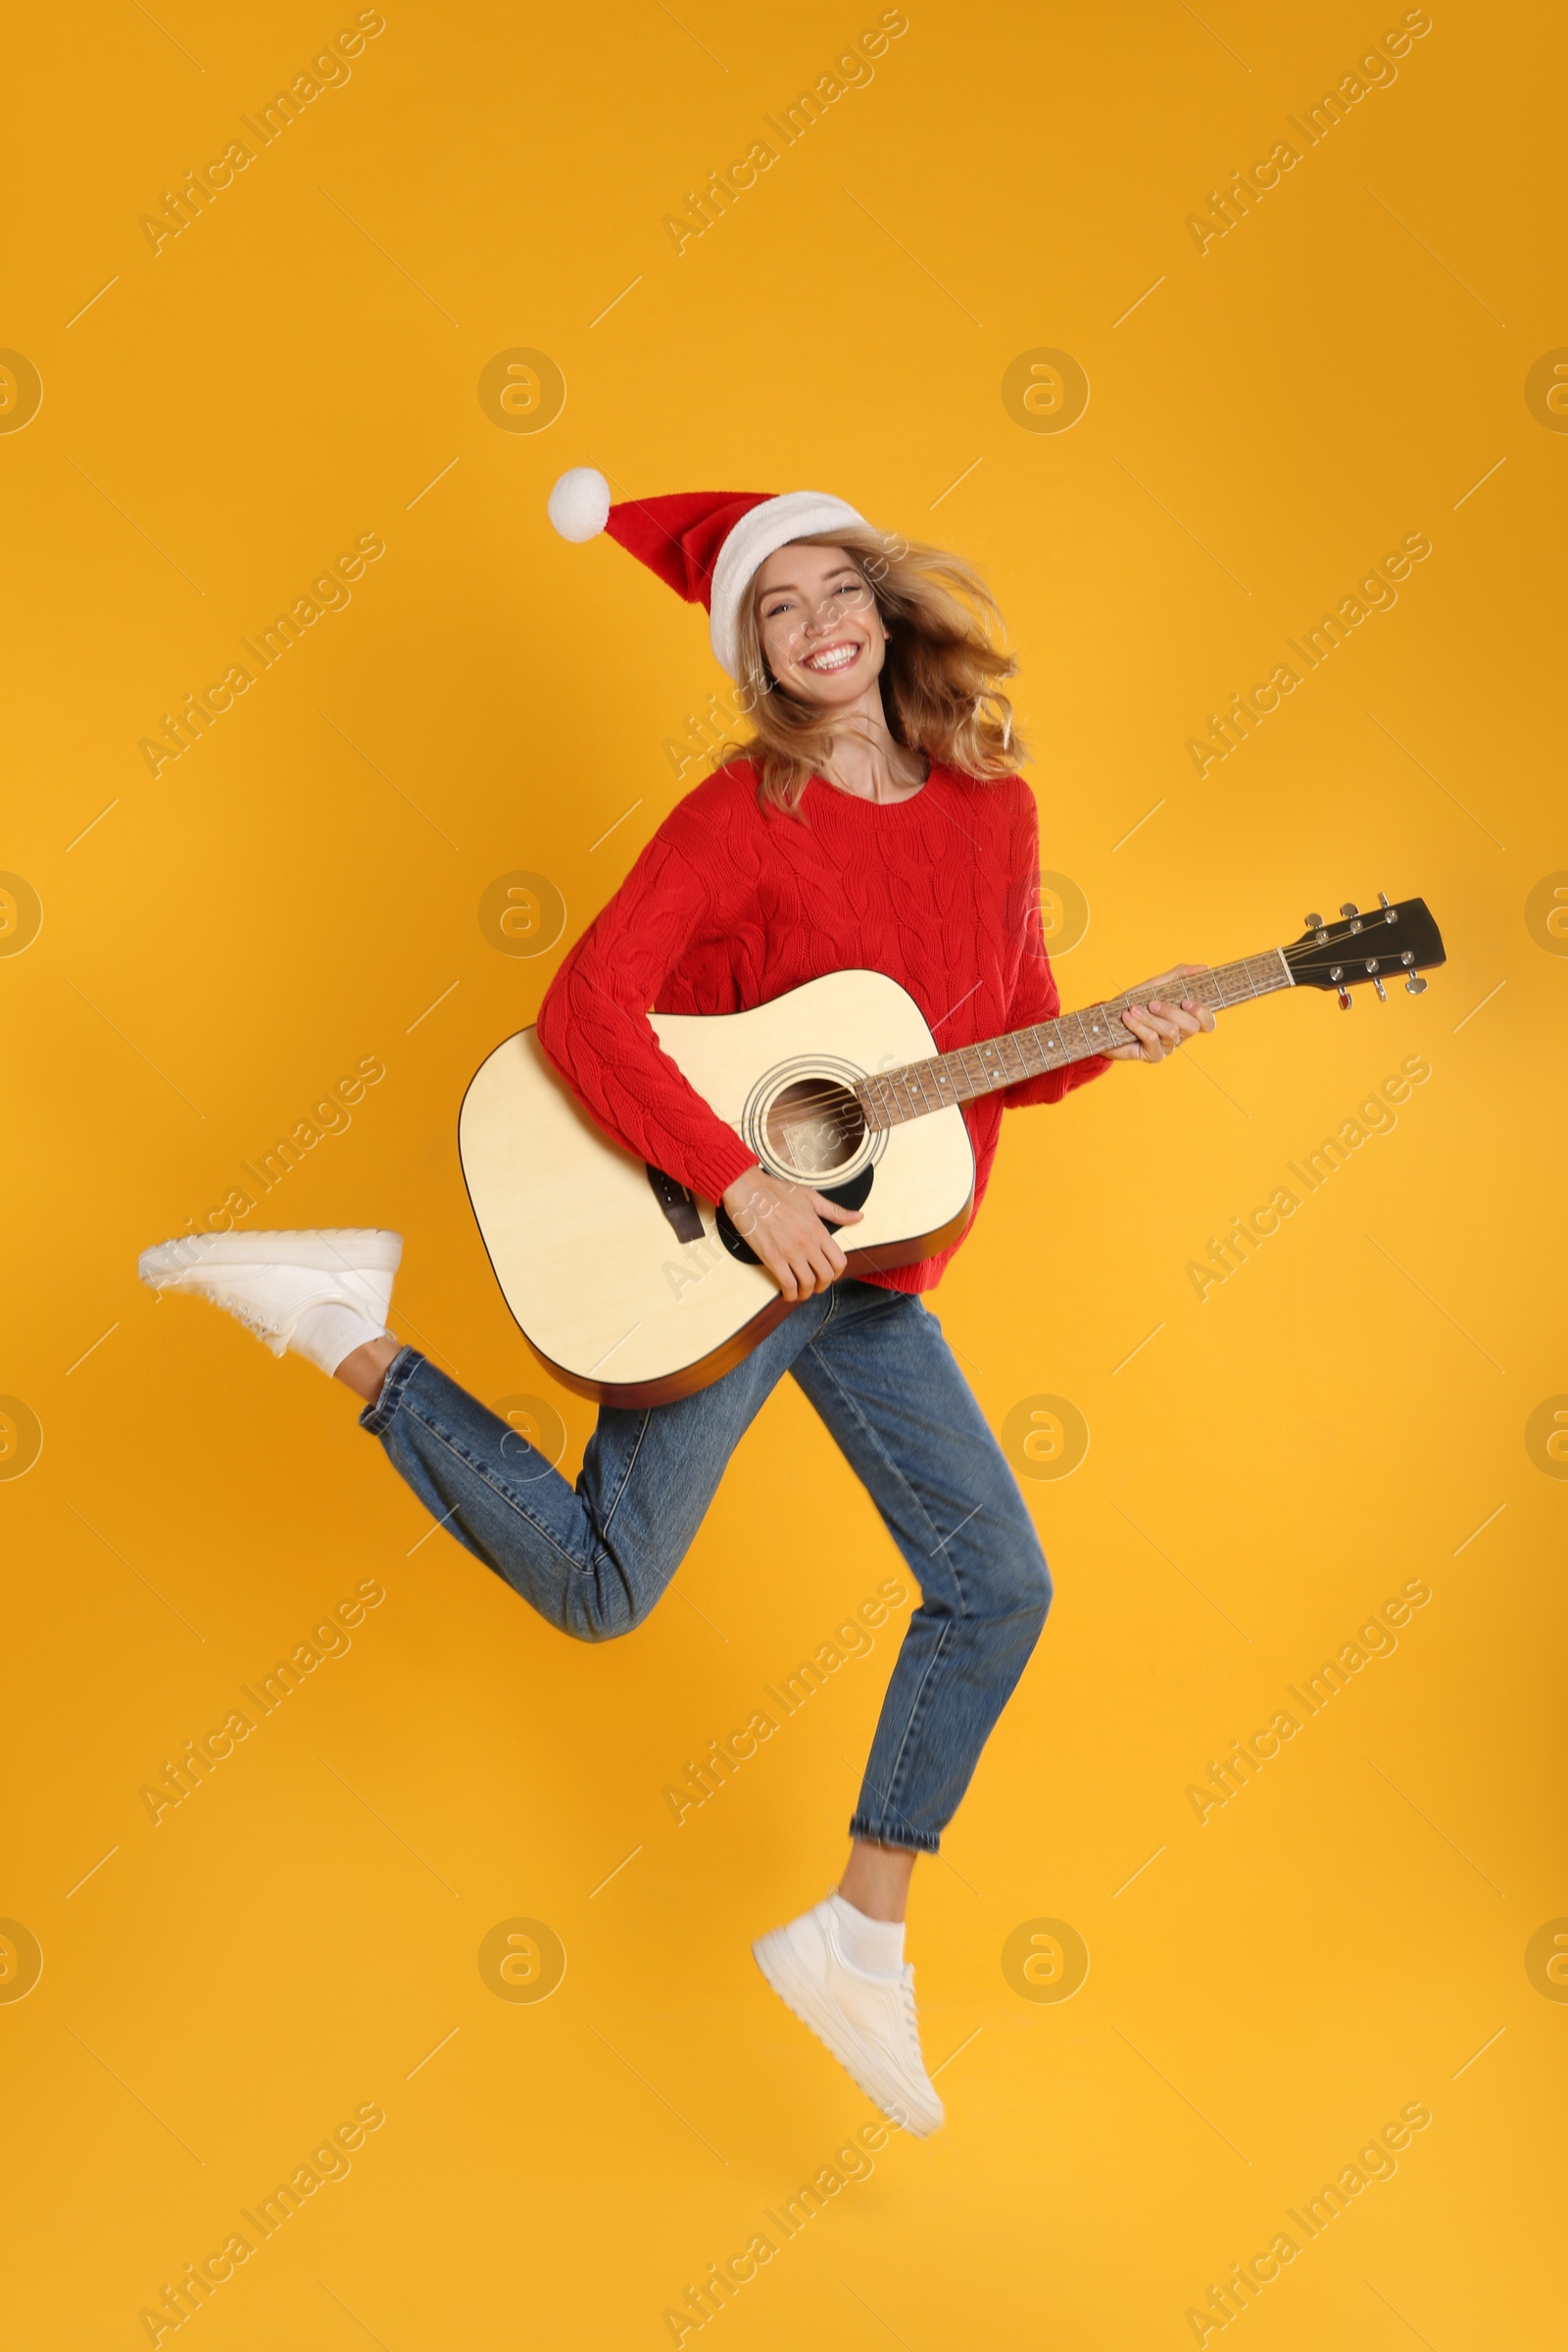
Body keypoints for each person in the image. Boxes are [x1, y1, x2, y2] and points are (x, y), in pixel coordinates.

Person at [138, 471, 1214, 2137]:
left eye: (833, 590)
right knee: (597, 1585)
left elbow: (1000, 1047)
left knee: (997, 1581)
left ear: (882, 599)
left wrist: (1118, 1032)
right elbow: (586, 1012)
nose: (817, 627)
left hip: (868, 1267)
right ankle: (341, 1323)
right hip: (718, 1252)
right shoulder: (742, 812)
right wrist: (741, 1182)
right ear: (757, 659)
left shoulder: (995, 811)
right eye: (775, 613)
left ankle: (859, 1932)